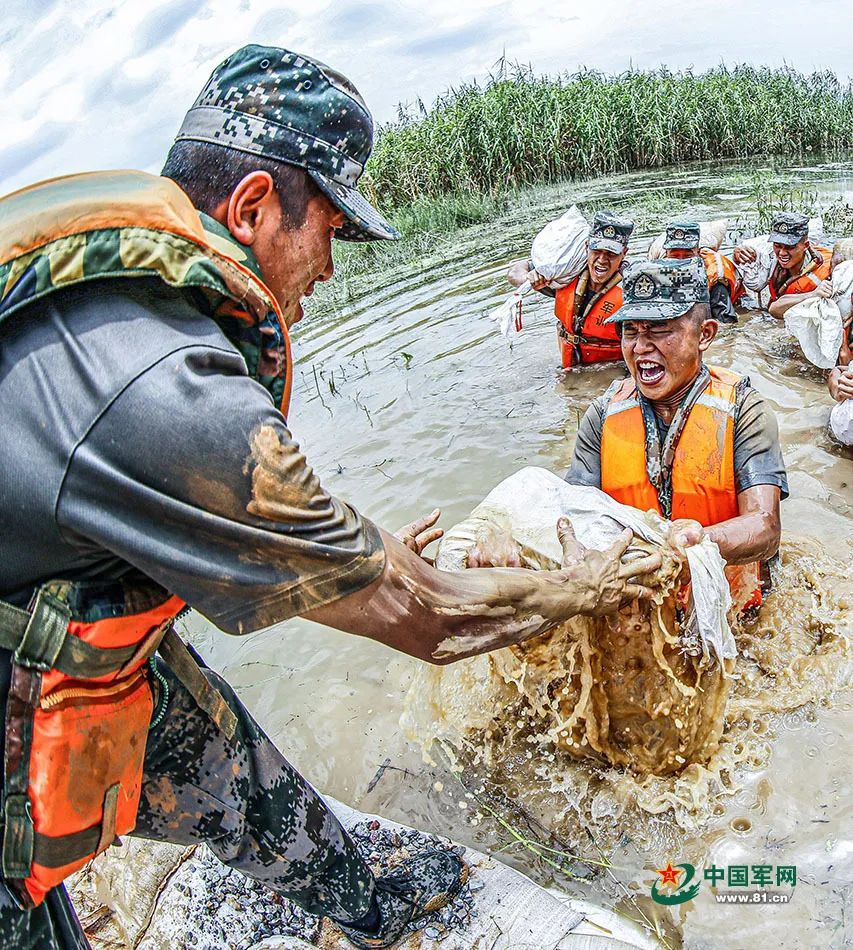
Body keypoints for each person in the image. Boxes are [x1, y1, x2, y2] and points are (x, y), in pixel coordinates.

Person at [0, 46, 661, 949]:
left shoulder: (116, 313)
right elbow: (430, 622)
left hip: (52, 628)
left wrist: (364, 546)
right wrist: (585, 589)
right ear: (254, 206)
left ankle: (365, 904)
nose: (332, 268)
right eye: (331, 232)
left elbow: (295, 537)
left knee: (231, 770)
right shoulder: (163, 390)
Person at [565, 258, 788, 610]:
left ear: (705, 335)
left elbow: (766, 528)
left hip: (732, 608)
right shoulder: (601, 416)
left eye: (659, 329)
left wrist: (698, 542)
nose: (639, 348)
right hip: (640, 606)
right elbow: (573, 513)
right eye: (630, 331)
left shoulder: (746, 411)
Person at [507, 212, 634, 368]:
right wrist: (529, 279)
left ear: (624, 253)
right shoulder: (566, 275)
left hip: (612, 372)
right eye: (596, 251)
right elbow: (514, 273)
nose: (601, 260)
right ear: (586, 246)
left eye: (611, 253)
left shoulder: (631, 293)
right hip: (570, 367)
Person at [732, 212, 832, 319]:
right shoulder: (769, 257)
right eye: (777, 245)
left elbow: (775, 309)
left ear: (806, 245)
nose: (782, 253)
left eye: (790, 247)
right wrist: (737, 255)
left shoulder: (826, 271)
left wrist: (814, 294)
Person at [662, 220, 741, 324]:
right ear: (666, 254)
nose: (681, 261)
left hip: (737, 303)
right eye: (674, 256)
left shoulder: (713, 275)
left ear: (698, 253)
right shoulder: (658, 270)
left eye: (687, 256)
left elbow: (728, 323)